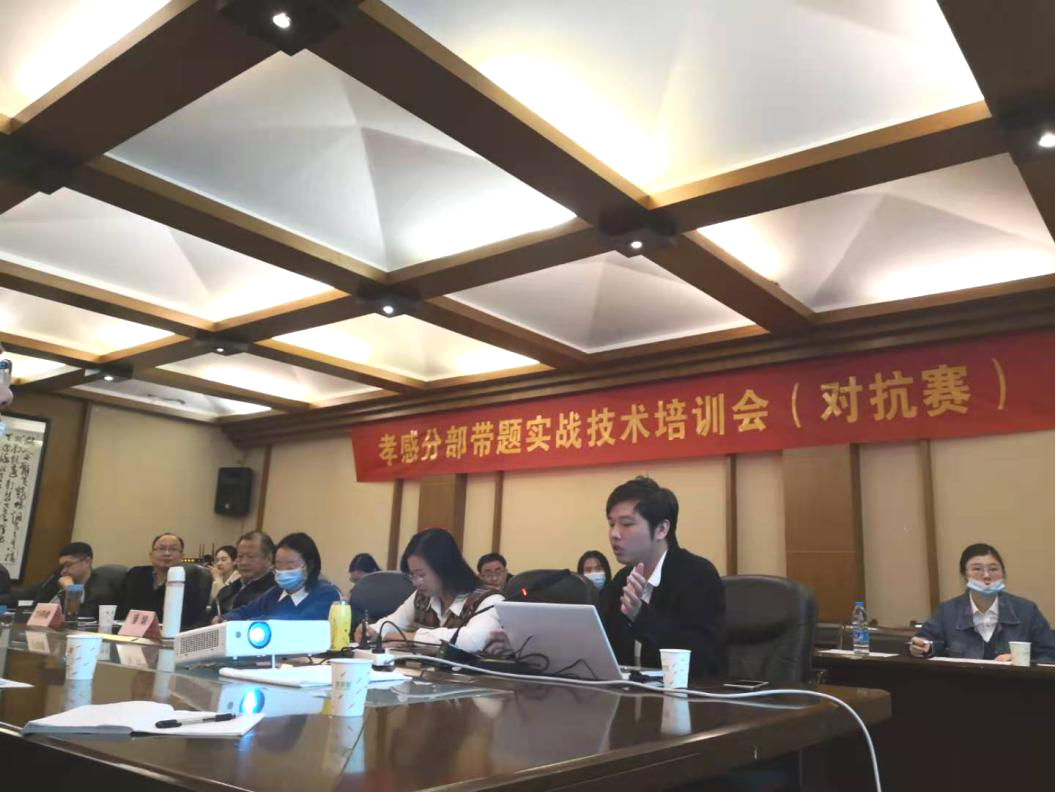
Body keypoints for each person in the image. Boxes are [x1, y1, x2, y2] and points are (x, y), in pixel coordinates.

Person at [599, 476, 726, 677]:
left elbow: (701, 660)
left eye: (626, 524)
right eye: (611, 524)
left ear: (661, 529)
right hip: (628, 694)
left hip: (686, 694)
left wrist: (641, 616)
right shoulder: (621, 582)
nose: (614, 534)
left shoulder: (697, 576)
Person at [359, 528, 503, 653]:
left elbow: (473, 640)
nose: (416, 582)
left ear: (445, 568)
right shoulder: (422, 597)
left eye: (421, 575)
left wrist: (411, 638)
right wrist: (372, 631)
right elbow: (393, 623)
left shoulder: (489, 600)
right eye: (412, 575)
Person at [909, 543, 1054, 662]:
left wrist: (1022, 661)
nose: (986, 575)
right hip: (962, 685)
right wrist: (922, 648)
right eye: (977, 569)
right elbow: (926, 644)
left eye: (993, 569)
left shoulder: (1026, 610)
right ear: (964, 575)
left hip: (1014, 685)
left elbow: (1050, 654)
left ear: (1003, 573)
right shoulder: (947, 611)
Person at [222, 532, 340, 621]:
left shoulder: (326, 593)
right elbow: (246, 611)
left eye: (290, 567)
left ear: (310, 565)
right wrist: (226, 618)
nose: (283, 572)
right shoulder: (275, 593)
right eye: (278, 565)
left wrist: (252, 622)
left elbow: (297, 621)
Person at [117, 533, 207, 632]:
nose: (167, 553)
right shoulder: (135, 574)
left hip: (172, 635)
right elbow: (122, 611)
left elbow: (195, 620)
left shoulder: (190, 581)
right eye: (161, 548)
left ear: (181, 556)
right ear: (151, 555)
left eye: (173, 549)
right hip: (132, 633)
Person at [22, 542, 121, 620]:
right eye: (62, 566)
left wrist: (71, 591)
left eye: (68, 565)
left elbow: (80, 619)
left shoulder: (101, 588)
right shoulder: (59, 578)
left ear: (87, 562)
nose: (63, 571)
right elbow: (34, 604)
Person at [207, 531, 276, 622]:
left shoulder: (274, 592)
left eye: (251, 557)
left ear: (269, 558)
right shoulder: (228, 589)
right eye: (240, 556)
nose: (244, 562)